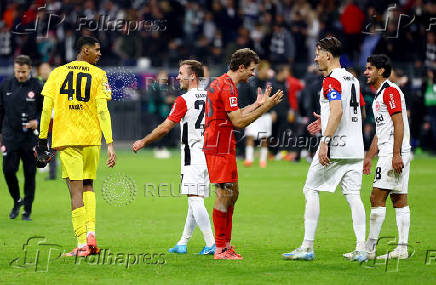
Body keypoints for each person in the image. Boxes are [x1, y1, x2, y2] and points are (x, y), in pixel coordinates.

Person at [282, 37, 367, 262]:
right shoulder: (353, 79)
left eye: (318, 53)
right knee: (353, 195)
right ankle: (361, 248)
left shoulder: (331, 80)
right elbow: (357, 113)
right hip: (356, 148)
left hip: (336, 147)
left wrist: (324, 141)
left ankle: (307, 246)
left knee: (310, 189)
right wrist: (325, 119)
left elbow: (338, 111)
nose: (315, 57)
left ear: (328, 55)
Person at [36, 36, 116, 257]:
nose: (100, 53)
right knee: (89, 185)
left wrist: (42, 139)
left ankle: (81, 244)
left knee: (75, 190)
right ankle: (91, 234)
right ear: (85, 50)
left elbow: (45, 109)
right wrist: (109, 142)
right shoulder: (99, 76)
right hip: (91, 139)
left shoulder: (56, 73)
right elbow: (103, 110)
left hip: (68, 139)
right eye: (96, 50)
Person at [203, 48, 283, 260]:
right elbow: (238, 122)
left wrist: (256, 105)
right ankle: (220, 249)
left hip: (223, 144)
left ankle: (225, 245)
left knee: (233, 194)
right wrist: (265, 107)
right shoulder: (227, 87)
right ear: (241, 67)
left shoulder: (221, 83)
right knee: (224, 195)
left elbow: (233, 116)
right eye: (251, 69)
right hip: (219, 146)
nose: (253, 74)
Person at [132, 60, 215, 255]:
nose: (177, 77)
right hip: (208, 153)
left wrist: (144, 141)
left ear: (192, 76)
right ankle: (183, 242)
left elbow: (165, 127)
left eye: (180, 73)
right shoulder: (211, 97)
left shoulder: (183, 100)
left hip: (191, 155)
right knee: (194, 200)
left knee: (195, 200)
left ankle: (211, 242)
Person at [361, 54, 411, 260]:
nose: (366, 72)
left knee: (376, 197)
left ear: (381, 71)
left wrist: (396, 154)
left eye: (370, 68)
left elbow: (399, 122)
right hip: (392, 151)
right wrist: (369, 156)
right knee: (399, 199)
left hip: (393, 153)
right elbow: (381, 130)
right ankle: (402, 248)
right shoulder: (381, 94)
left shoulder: (390, 92)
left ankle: (369, 249)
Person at [0, 55, 43, 221]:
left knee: (29, 173)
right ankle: (17, 200)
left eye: (23, 72)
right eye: (18, 71)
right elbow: (1, 110)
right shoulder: (6, 85)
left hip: (30, 139)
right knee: (8, 171)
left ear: (30, 70)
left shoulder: (37, 86)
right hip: (10, 136)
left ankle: (28, 210)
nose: (20, 75)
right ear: (14, 69)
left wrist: (37, 121)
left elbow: (44, 109)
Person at [240, 60, 273, 168]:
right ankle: (249, 159)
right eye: (265, 69)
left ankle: (263, 160)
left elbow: (274, 98)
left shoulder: (270, 83)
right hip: (253, 114)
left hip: (266, 114)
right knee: (250, 136)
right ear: (259, 70)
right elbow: (245, 98)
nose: (267, 72)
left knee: (264, 137)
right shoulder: (251, 83)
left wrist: (273, 111)